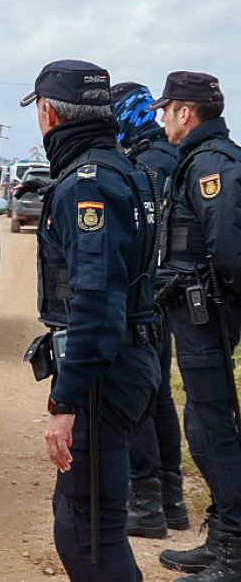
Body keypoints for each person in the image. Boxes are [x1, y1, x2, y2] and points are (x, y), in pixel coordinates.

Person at [21, 60, 159, 581]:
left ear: (48, 113)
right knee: (87, 521)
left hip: (106, 372)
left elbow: (96, 302)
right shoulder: (126, 169)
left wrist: (66, 401)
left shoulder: (89, 183)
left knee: (89, 532)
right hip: (129, 357)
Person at [149, 72, 241, 581]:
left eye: (167, 110)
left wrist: (223, 306)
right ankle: (223, 535)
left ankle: (235, 552)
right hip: (198, 311)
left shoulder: (211, 164)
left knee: (211, 430)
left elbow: (227, 247)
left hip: (208, 312)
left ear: (186, 113)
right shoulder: (204, 159)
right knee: (204, 427)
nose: (161, 119)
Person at [110, 82, 188, 540]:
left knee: (139, 400)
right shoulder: (170, 158)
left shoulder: (144, 166)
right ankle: (170, 501)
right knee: (158, 400)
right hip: (167, 296)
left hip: (147, 297)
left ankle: (146, 502)